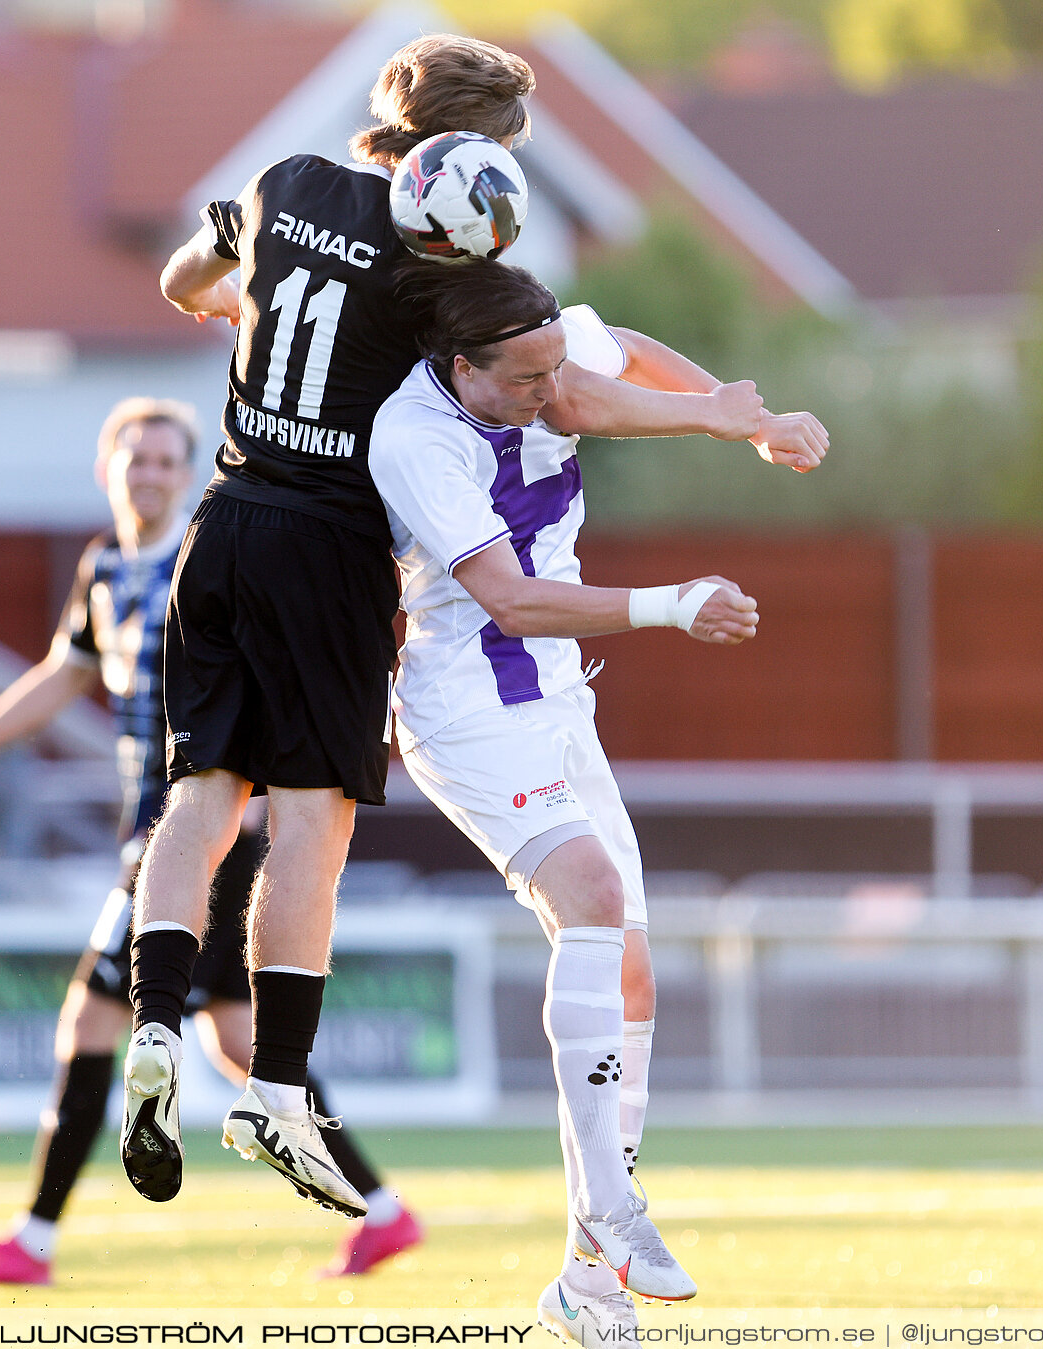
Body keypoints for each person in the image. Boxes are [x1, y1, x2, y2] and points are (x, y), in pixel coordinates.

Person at [130, 32, 794, 1214]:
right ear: (475, 154)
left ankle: (153, 1031)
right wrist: (722, 414)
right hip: (330, 550)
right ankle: (278, 1091)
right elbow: (574, 382)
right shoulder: (447, 276)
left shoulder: (282, 183)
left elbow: (186, 284)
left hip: (222, 519)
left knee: (199, 796)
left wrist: (260, 313)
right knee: (311, 826)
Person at [366, 264, 826, 1349]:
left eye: (550, 371)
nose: (549, 393)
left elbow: (616, 341)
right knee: (592, 896)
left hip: (558, 694)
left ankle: (585, 1282)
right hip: (467, 699)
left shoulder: (544, 350)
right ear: (461, 365)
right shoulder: (413, 436)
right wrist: (675, 604)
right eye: (524, 381)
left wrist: (738, 417)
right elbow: (513, 602)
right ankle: (611, 1209)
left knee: (630, 962)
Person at [0, 400, 418, 1284]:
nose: (148, 473)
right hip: (160, 837)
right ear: (107, 468)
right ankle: (383, 1210)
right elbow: (56, 679)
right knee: (234, 1040)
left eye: (164, 459)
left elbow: (269, 688)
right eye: (133, 458)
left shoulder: (210, 557)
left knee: (93, 1022)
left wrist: (253, 814)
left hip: (192, 843)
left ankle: (33, 1240)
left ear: (188, 472)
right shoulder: (102, 568)